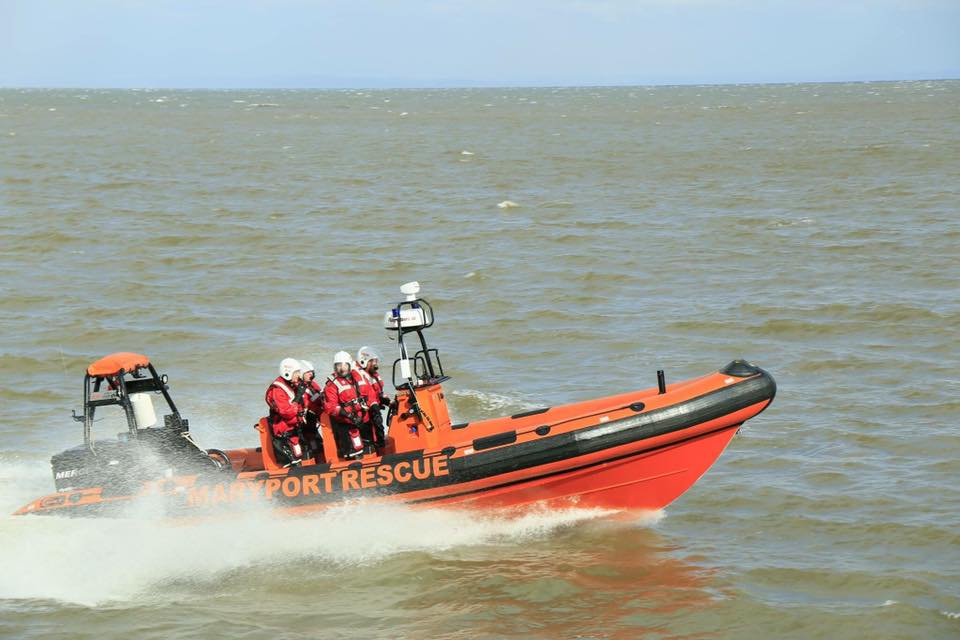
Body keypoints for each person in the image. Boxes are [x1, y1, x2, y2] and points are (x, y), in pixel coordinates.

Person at [323, 351, 371, 459]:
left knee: (367, 446)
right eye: (338, 365)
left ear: (350, 365)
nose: (342, 368)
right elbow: (331, 407)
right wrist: (350, 416)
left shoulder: (356, 379)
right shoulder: (332, 385)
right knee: (354, 451)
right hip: (346, 423)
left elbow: (368, 393)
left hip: (361, 420)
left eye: (344, 365)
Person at [265, 357, 305, 467]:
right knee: (294, 462)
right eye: (296, 372)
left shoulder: (292, 386)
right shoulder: (277, 390)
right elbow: (287, 412)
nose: (298, 375)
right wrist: (297, 397)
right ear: (288, 372)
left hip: (293, 430)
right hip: (283, 433)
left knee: (300, 457)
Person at [355, 346, 389, 446]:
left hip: (373, 407)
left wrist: (388, 401)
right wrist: (374, 404)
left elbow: (377, 391)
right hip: (365, 411)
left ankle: (380, 445)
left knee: (378, 426)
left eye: (375, 361)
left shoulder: (371, 374)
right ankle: (378, 448)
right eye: (372, 361)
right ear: (364, 361)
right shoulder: (359, 375)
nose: (375, 363)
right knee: (373, 430)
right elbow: (366, 393)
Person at [298, 360, 324, 458]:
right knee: (311, 442)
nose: (311, 374)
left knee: (317, 443)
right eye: (308, 372)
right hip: (305, 424)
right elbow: (306, 405)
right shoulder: (299, 389)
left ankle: (320, 455)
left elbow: (320, 398)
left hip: (314, 421)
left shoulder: (313, 385)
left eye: (311, 372)